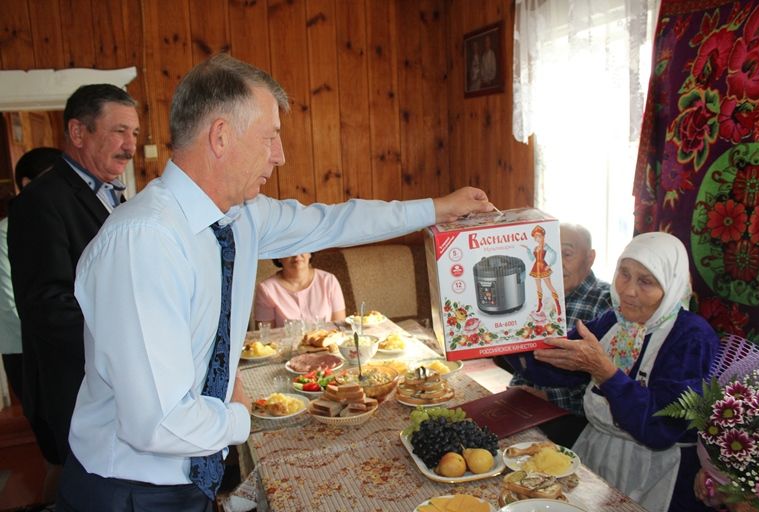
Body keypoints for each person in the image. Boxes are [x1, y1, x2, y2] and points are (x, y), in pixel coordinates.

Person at [58, 53, 493, 511]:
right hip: (127, 490)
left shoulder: (240, 216)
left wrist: (436, 208)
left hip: (189, 478)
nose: (280, 155)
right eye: (271, 137)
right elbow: (157, 424)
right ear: (221, 136)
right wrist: (243, 417)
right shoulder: (144, 241)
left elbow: (336, 222)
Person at [523, 232, 720, 512]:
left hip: (657, 472)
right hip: (599, 452)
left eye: (646, 281)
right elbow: (554, 368)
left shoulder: (692, 337)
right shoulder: (615, 321)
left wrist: (605, 372)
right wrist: (509, 336)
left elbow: (660, 428)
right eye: (624, 274)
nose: (628, 290)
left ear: (671, 285)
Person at [7, 84, 139, 483]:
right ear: (78, 133)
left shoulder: (115, 196)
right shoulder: (41, 201)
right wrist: (127, 343)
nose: (131, 146)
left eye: (135, 133)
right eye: (119, 132)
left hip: (116, 382)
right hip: (77, 389)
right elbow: (46, 305)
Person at [501, 223, 612, 447]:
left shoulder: (607, 303)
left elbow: (607, 383)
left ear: (590, 258)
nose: (557, 263)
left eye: (567, 253)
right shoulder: (534, 296)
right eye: (551, 254)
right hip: (520, 401)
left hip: (574, 419)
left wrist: (550, 399)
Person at [1, 147, 62, 402]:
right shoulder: (5, 233)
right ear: (27, 184)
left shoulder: (58, 225)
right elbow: (8, 303)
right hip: (24, 349)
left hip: (60, 346)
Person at [253, 253, 345, 327]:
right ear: (279, 257)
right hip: (286, 349)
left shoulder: (329, 281)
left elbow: (340, 328)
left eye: (302, 247)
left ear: (310, 253)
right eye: (290, 249)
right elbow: (266, 338)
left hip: (327, 347)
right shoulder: (266, 289)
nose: (296, 255)